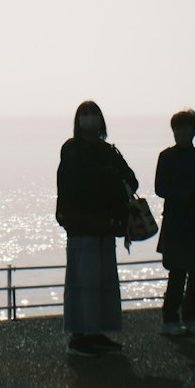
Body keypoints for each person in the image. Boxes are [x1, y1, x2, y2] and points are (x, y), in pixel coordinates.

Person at [55, 100, 137, 357]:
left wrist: (108, 179)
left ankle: (96, 332)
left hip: (105, 225)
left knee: (102, 281)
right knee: (84, 280)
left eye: (93, 114)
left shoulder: (108, 151)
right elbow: (84, 182)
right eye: (85, 114)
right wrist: (111, 179)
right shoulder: (72, 149)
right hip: (81, 224)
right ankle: (79, 336)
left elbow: (131, 179)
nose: (89, 118)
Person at [154, 109, 195, 337]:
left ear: (194, 131)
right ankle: (169, 319)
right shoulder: (166, 156)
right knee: (177, 274)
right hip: (176, 222)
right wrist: (190, 196)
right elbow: (160, 188)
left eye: (186, 128)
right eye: (178, 128)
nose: (182, 132)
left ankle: (190, 318)